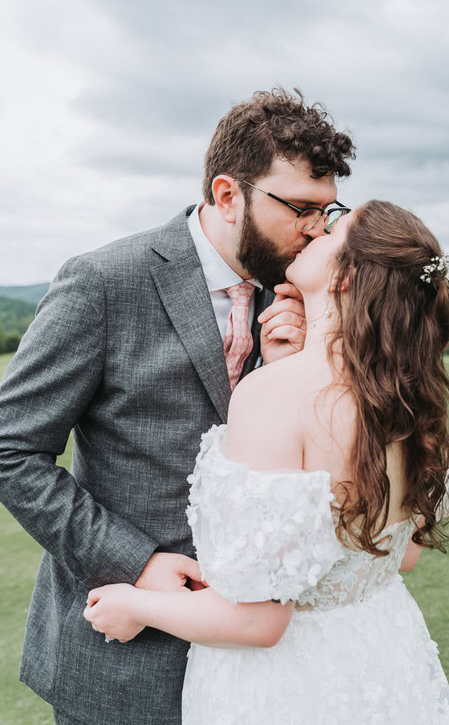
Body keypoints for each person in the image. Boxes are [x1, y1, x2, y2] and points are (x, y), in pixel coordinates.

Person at [0, 89, 356, 725]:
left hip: (259, 660)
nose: (314, 229)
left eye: (327, 211)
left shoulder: (300, 299)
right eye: (299, 207)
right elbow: (10, 448)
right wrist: (133, 562)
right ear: (226, 194)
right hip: (123, 648)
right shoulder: (105, 282)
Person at [84, 200, 449, 725]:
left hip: (286, 687)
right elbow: (399, 556)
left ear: (346, 277)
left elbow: (258, 623)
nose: (314, 229)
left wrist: (133, 605)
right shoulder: (406, 400)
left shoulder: (274, 395)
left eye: (333, 228)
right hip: (380, 655)